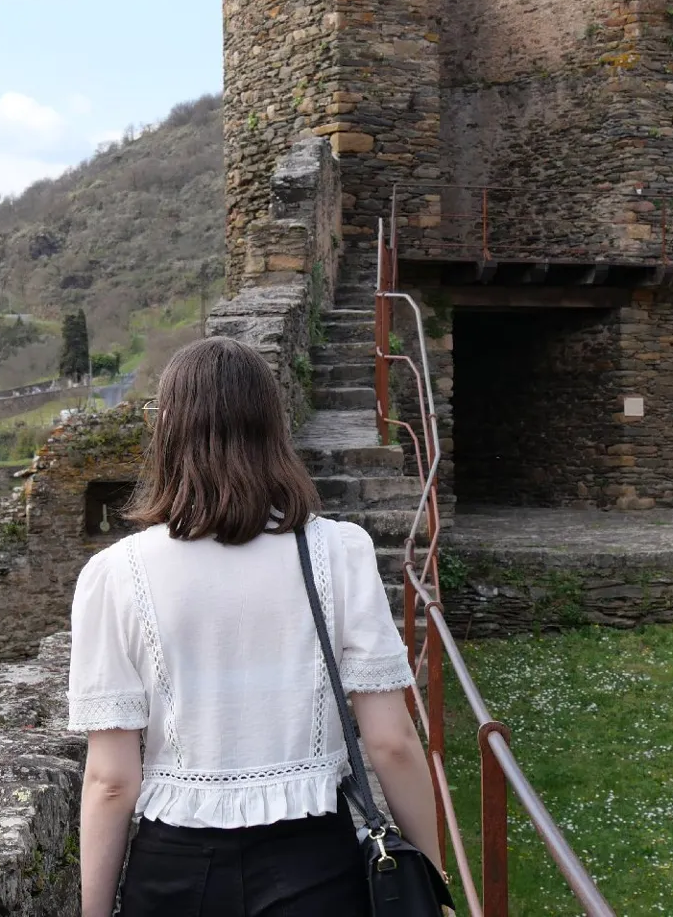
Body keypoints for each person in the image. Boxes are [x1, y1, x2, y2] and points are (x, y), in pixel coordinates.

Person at [68, 336, 442, 917]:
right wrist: (432, 881)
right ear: (274, 429)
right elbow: (391, 743)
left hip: (174, 871)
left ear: (166, 426)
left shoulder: (115, 574)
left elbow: (112, 780)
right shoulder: (338, 552)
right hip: (317, 863)